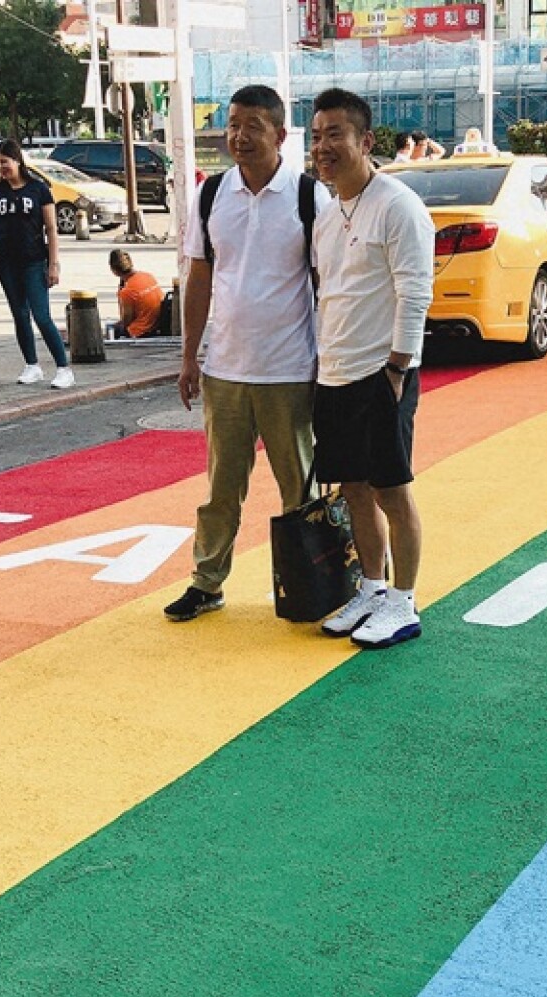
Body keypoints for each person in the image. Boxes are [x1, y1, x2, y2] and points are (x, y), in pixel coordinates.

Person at [162, 82, 326, 622]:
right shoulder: (212, 195)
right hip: (225, 370)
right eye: (233, 125)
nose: (239, 136)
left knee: (298, 491)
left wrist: (330, 361)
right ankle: (206, 583)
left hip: (290, 370)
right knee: (219, 489)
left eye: (252, 126)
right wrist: (190, 357)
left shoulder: (309, 196)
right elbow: (200, 278)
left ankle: (309, 586)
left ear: (280, 134)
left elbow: (327, 283)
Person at [305, 87, 433, 650]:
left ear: (366, 141)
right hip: (334, 374)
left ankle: (403, 601)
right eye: (316, 136)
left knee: (391, 490)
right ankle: (373, 587)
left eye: (335, 134)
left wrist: (398, 367)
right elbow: (329, 294)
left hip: (381, 373)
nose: (323, 146)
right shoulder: (329, 214)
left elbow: (415, 291)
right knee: (353, 488)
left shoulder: (398, 205)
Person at [0, 140, 72, 388]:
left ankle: (63, 367)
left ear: (18, 161)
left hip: (34, 260)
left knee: (41, 315)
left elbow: (52, 228)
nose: (2, 167)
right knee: (19, 315)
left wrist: (53, 264)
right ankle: (31, 364)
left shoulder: (39, 189)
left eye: (5, 161)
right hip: (6, 261)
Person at [107, 248, 163, 339]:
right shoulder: (148, 276)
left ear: (114, 271)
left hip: (140, 331)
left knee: (110, 328)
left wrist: (120, 293)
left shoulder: (127, 291)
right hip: (157, 324)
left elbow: (126, 321)